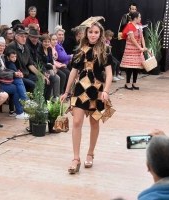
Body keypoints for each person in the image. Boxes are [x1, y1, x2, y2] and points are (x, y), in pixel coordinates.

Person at [60, 17, 115, 174]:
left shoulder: (105, 50)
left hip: (97, 90)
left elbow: (109, 73)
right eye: (90, 32)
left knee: (94, 123)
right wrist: (66, 91)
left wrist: (106, 90)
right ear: (86, 33)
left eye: (96, 32)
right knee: (77, 122)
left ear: (100, 33)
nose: (93, 35)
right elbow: (73, 71)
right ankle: (75, 158)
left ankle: (90, 153)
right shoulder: (79, 49)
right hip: (80, 89)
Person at [0, 37, 28, 119]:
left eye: (3, 46)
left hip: (2, 79)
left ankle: (23, 107)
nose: (2, 48)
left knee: (18, 80)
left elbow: (5, 69)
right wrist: (14, 74)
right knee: (16, 86)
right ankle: (23, 107)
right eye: (0, 45)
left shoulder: (0, 55)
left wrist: (15, 73)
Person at [25, 29, 55, 101]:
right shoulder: (27, 46)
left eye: (37, 37)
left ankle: (46, 101)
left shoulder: (38, 45)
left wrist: (44, 71)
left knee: (51, 77)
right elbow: (31, 64)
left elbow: (40, 61)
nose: (35, 39)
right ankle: (40, 101)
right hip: (28, 71)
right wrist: (41, 74)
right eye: (33, 37)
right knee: (43, 79)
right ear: (29, 37)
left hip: (37, 69)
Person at [120, 12, 147, 90]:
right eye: (139, 17)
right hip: (131, 49)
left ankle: (134, 82)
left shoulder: (139, 26)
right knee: (130, 67)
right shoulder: (129, 26)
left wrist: (144, 46)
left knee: (137, 67)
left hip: (138, 48)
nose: (140, 18)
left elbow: (142, 37)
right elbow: (132, 39)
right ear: (135, 18)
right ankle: (127, 82)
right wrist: (140, 48)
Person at [38, 34, 62, 100]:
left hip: (49, 67)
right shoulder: (39, 50)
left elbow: (51, 60)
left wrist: (53, 66)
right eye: (45, 42)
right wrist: (52, 67)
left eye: (48, 41)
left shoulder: (49, 49)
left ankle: (56, 97)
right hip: (43, 69)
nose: (47, 43)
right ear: (41, 42)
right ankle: (46, 98)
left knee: (57, 77)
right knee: (52, 76)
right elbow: (41, 63)